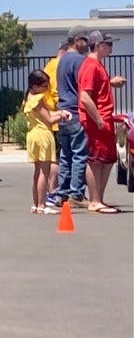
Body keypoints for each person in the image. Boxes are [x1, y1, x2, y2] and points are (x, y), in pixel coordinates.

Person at [76, 30, 120, 213]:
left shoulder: (98, 66)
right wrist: (98, 119)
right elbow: (85, 96)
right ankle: (94, 200)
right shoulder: (90, 65)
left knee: (107, 159)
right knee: (95, 159)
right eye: (108, 44)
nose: (111, 48)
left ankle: (99, 199)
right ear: (98, 45)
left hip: (104, 118)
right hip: (97, 120)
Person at [49, 29, 91, 207]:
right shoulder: (80, 60)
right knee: (79, 154)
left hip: (62, 112)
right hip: (75, 112)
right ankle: (77, 193)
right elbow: (85, 85)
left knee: (65, 155)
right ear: (76, 40)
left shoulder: (62, 59)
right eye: (84, 40)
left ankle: (62, 193)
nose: (87, 43)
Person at [21, 67, 66, 213]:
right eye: (44, 86)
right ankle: (42, 204)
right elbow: (50, 119)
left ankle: (36, 203)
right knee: (44, 172)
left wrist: (58, 112)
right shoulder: (38, 99)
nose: (47, 89)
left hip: (33, 135)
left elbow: (45, 114)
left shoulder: (28, 97)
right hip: (43, 135)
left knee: (37, 171)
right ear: (35, 86)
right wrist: (62, 115)